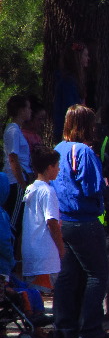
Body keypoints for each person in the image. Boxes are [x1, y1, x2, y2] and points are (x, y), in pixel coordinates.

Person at [52, 105, 109, 338]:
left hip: (62, 220)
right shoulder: (84, 152)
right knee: (97, 275)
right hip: (85, 220)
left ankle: (65, 327)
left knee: (68, 275)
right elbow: (92, 188)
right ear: (86, 126)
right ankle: (90, 329)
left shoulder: (58, 149)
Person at [21, 147, 64, 294]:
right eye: (57, 165)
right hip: (46, 257)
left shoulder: (30, 188)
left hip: (31, 254)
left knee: (33, 298)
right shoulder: (47, 191)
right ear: (49, 167)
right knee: (44, 298)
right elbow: (51, 222)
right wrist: (61, 249)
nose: (58, 169)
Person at [3, 95, 33, 241]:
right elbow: (13, 158)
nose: (30, 111)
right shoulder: (13, 130)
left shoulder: (16, 130)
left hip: (19, 179)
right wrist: (22, 182)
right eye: (28, 107)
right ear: (21, 110)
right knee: (13, 222)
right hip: (15, 181)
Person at [53, 42, 90, 141]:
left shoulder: (76, 80)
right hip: (69, 131)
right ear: (77, 58)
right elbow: (71, 108)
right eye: (85, 55)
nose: (88, 58)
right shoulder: (67, 82)